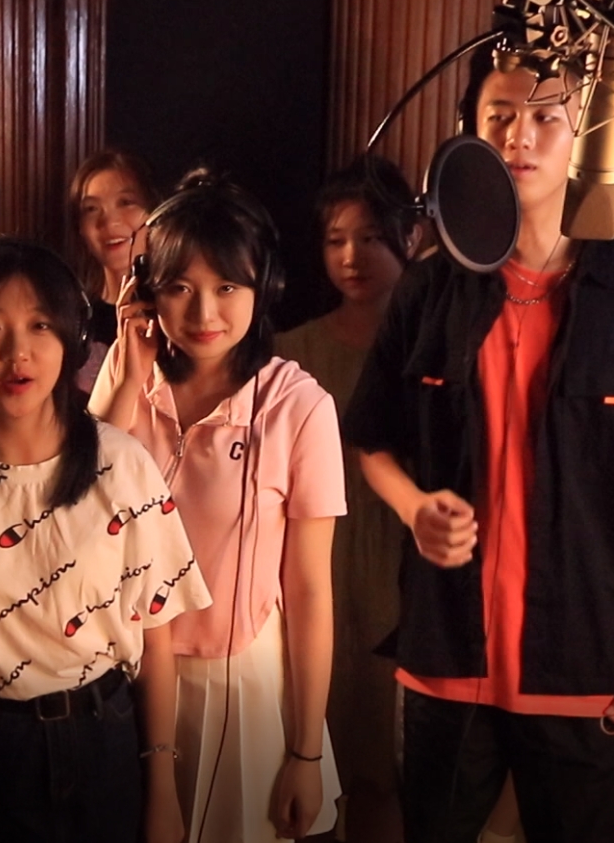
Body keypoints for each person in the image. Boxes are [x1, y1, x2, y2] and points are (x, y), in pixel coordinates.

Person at [342, 46, 614, 843]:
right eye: (500, 117)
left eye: (546, 117)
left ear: (586, 134)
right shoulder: (429, 286)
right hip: (447, 656)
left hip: (588, 660)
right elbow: (371, 435)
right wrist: (414, 508)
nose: (520, 135)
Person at [0, 238, 210, 843]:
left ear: (71, 338)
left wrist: (163, 789)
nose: (18, 353)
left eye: (39, 325)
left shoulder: (123, 464)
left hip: (104, 743)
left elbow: (155, 639)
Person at [91, 171, 344, 841]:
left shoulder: (298, 407)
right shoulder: (126, 382)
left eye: (227, 287)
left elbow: (310, 591)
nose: (204, 313)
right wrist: (128, 370)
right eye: (180, 288)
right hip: (124, 680)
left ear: (265, 287)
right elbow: (79, 508)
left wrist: (305, 752)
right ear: (146, 291)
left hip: (241, 686)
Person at [275, 154, 421, 843]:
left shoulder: (429, 346)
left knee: (383, 770)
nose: (351, 257)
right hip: (314, 569)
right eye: (335, 240)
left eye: (369, 237)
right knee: (307, 754)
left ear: (409, 235)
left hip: (400, 565)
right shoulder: (291, 353)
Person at [68, 149, 161, 393]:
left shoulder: (175, 309)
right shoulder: (72, 316)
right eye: (91, 209)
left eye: (126, 202)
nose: (109, 222)